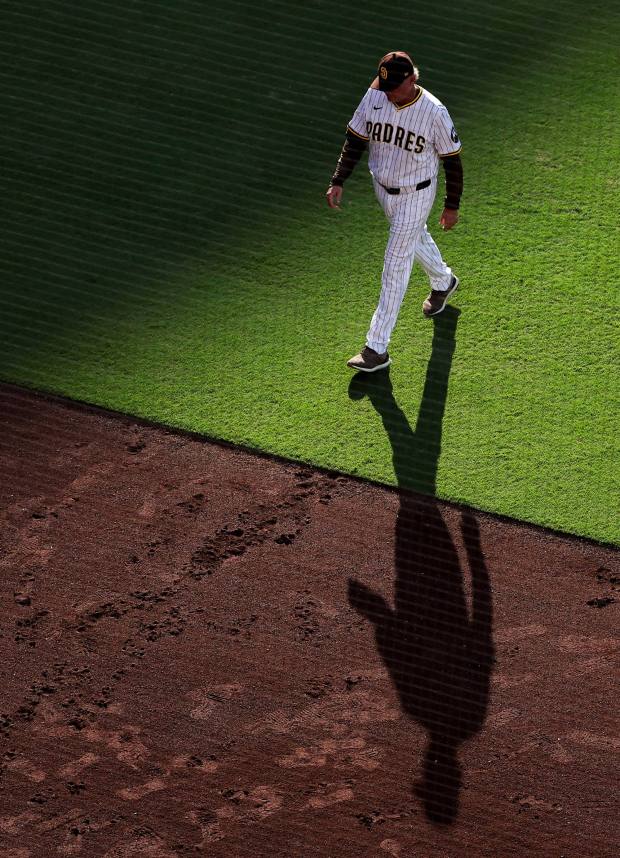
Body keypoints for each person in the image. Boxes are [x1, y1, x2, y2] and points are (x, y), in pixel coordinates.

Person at [326, 51, 463, 372]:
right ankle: (443, 281)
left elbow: (453, 161)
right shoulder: (376, 95)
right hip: (383, 188)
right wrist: (338, 180)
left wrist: (451, 205)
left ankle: (376, 348)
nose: (388, 94)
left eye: (395, 88)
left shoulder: (434, 112)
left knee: (394, 266)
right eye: (384, 86)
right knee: (413, 238)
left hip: (417, 193)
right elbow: (355, 139)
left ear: (413, 79)